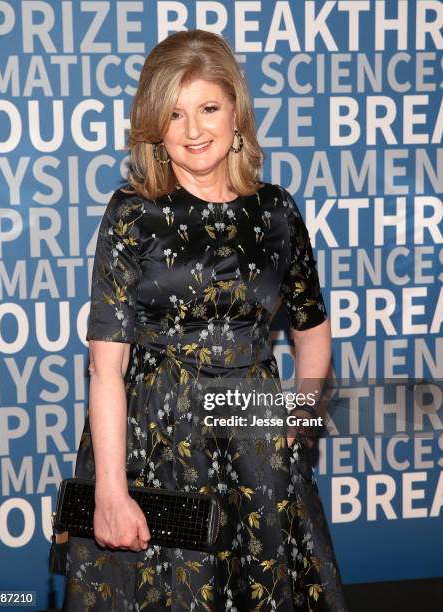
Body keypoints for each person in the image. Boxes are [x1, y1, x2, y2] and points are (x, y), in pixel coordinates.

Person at [62, 29, 347, 612]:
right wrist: (112, 491)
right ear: (154, 129)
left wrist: (304, 405)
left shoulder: (277, 211)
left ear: (236, 112)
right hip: (154, 441)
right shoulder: (132, 214)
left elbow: (312, 327)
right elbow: (105, 369)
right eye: (174, 113)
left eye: (209, 108)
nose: (194, 130)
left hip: (253, 435)